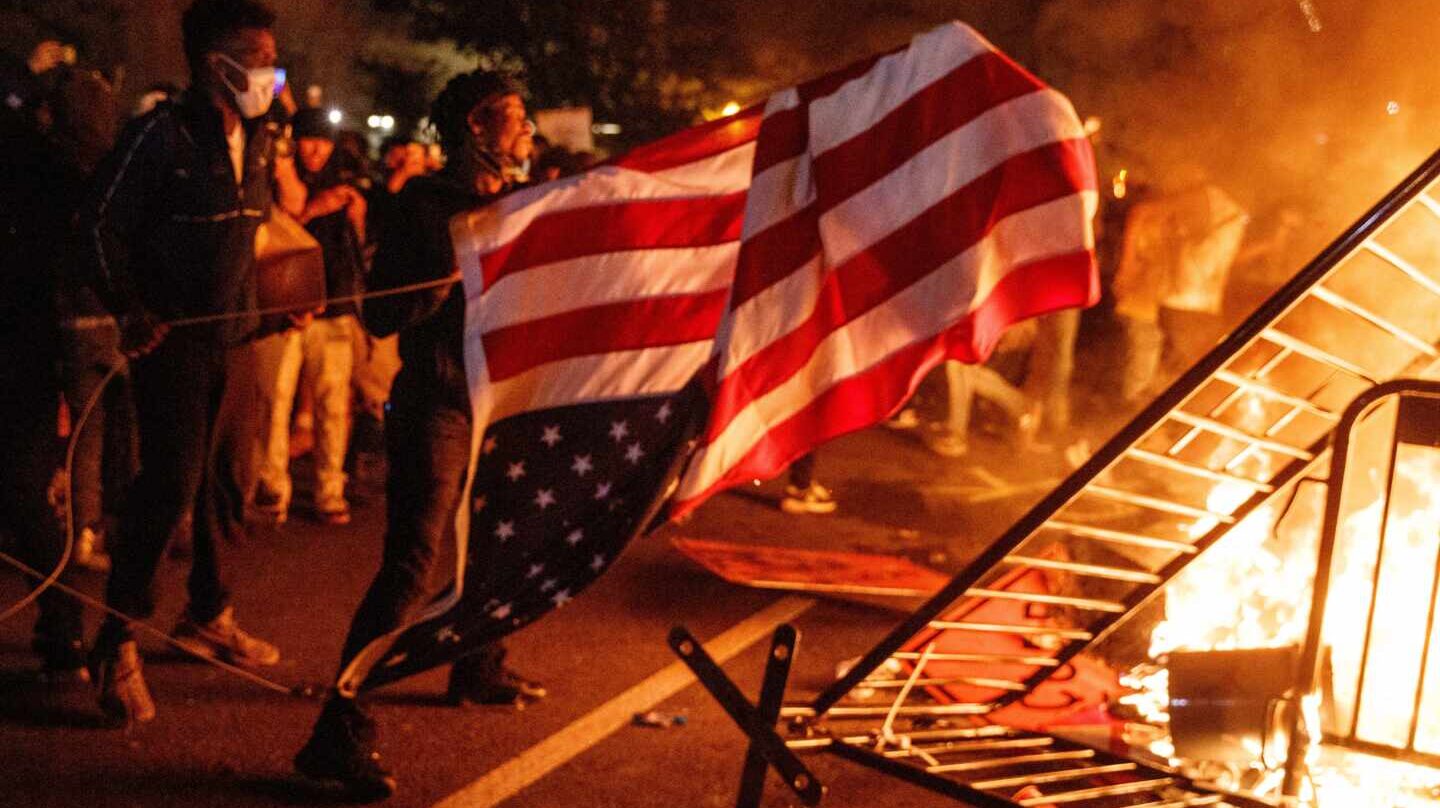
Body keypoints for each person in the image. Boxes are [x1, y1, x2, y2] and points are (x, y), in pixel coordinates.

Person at [295, 69, 546, 802]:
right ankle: (336, 734)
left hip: (495, 402)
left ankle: (478, 665)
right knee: (411, 565)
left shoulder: (520, 203)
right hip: (435, 405)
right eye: (517, 119)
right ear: (477, 126)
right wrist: (451, 261)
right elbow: (381, 317)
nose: (530, 131)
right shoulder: (421, 208)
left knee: (495, 539)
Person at [79, 0, 286, 724]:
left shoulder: (260, 137)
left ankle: (209, 613)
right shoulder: (157, 136)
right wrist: (131, 307)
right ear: (213, 63)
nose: (271, 73)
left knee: (227, 487)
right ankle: (116, 638)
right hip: (176, 346)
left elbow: (258, 235)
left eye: (272, 57)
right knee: (169, 486)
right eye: (257, 59)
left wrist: (281, 301)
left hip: (240, 339)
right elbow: (100, 224)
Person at [0, 39, 95, 686]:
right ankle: (60, 627)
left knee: (25, 492)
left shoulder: (39, 162)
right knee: (23, 493)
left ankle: (62, 625)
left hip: (21, 344)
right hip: (28, 342)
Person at [252, 107, 366, 525]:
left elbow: (361, 247)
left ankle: (329, 488)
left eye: (324, 140)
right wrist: (313, 208)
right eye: (309, 139)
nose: (316, 149)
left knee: (333, 402)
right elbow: (275, 234)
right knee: (274, 399)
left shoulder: (347, 182)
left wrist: (356, 214)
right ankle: (271, 487)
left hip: (333, 308)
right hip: (285, 307)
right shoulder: (275, 182)